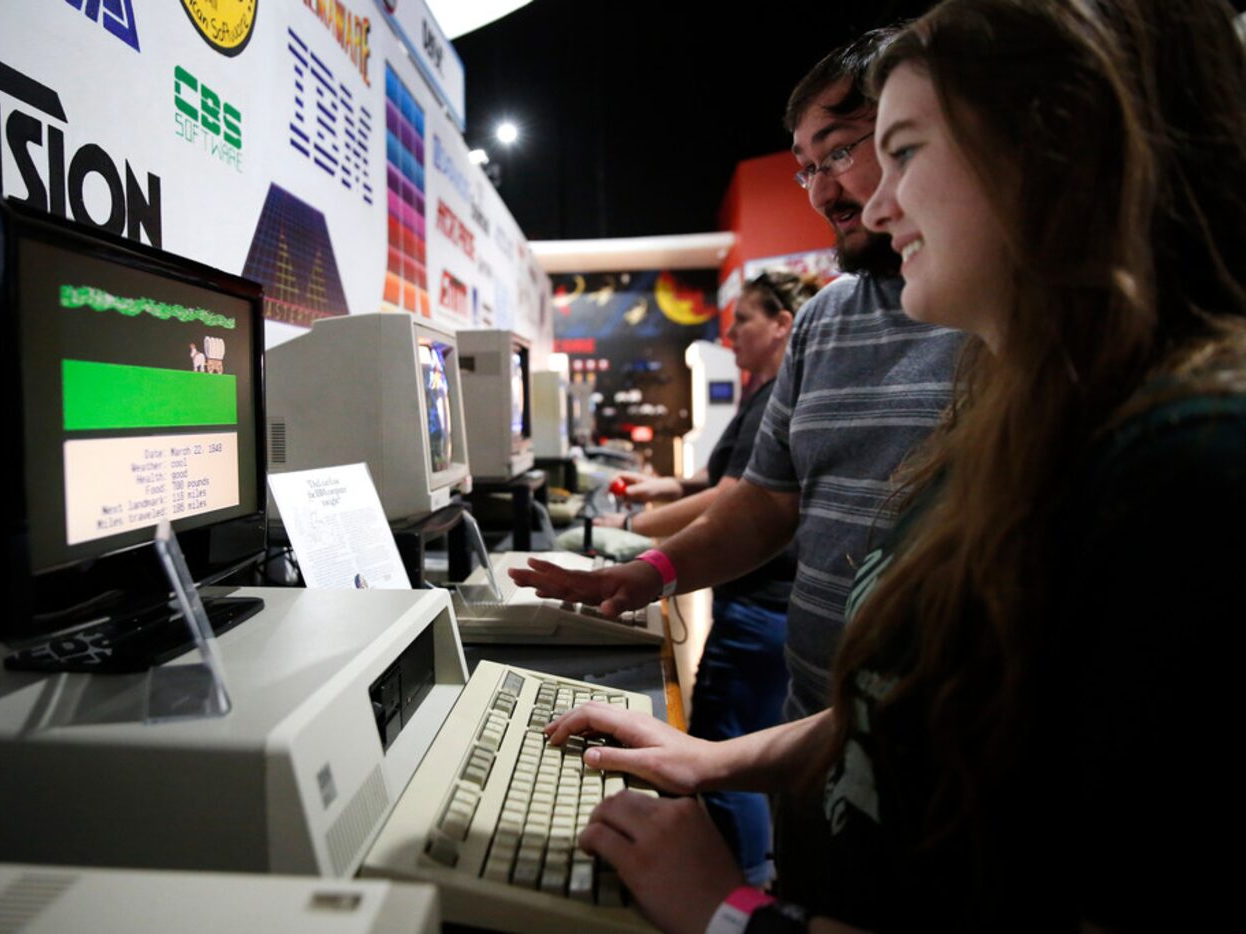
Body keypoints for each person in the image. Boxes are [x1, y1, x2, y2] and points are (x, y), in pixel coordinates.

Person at [540, 0, 1246, 930]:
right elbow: (919, 702)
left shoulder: (1180, 465)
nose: (868, 202)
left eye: (898, 149)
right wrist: (713, 759)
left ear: (1055, 146)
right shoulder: (1027, 414)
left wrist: (731, 916)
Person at [510, 27, 966, 727]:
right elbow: (764, 504)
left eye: (841, 152)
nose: (824, 195)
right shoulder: (826, 320)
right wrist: (649, 574)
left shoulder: (1003, 317)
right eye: (806, 169)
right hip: (820, 724)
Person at [599, 271, 816, 885]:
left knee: (723, 755)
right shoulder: (762, 394)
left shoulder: (776, 394)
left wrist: (635, 527)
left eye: (743, 318)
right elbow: (715, 481)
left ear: (782, 324)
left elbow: (734, 496)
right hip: (763, 605)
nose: (731, 331)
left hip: (759, 607)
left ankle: (738, 882)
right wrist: (662, 492)